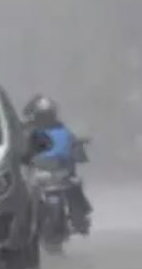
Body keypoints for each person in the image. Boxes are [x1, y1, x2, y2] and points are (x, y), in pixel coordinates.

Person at [24, 94, 92, 234]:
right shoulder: (29, 131)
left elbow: (74, 146)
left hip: (61, 171)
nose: (46, 119)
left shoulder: (63, 131)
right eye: (43, 115)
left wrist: (78, 149)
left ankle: (79, 218)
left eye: (48, 115)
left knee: (75, 185)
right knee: (22, 196)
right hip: (38, 173)